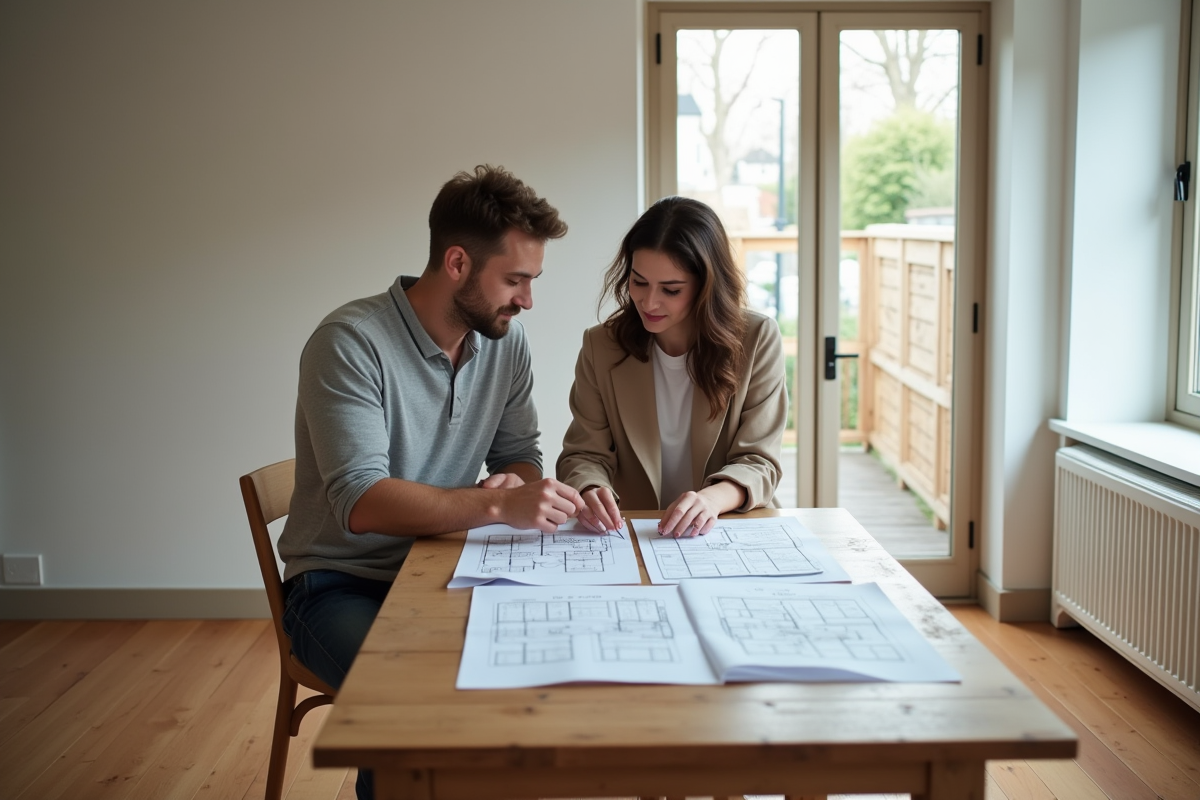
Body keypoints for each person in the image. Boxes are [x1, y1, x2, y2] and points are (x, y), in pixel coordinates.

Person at [278, 165, 584, 800]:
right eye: (516, 280)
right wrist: (497, 504)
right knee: (409, 706)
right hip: (339, 583)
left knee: (534, 678)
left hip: (445, 564)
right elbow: (361, 502)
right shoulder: (349, 343)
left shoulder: (506, 343)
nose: (527, 300)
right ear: (457, 263)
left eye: (532, 281)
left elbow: (521, 455)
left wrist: (515, 481)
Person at [557, 196, 787, 539]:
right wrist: (590, 489)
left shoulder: (757, 339)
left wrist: (711, 499)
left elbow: (760, 461)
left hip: (727, 528)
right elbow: (583, 454)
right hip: (630, 533)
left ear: (706, 287)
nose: (649, 302)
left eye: (671, 289)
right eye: (639, 282)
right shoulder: (601, 346)